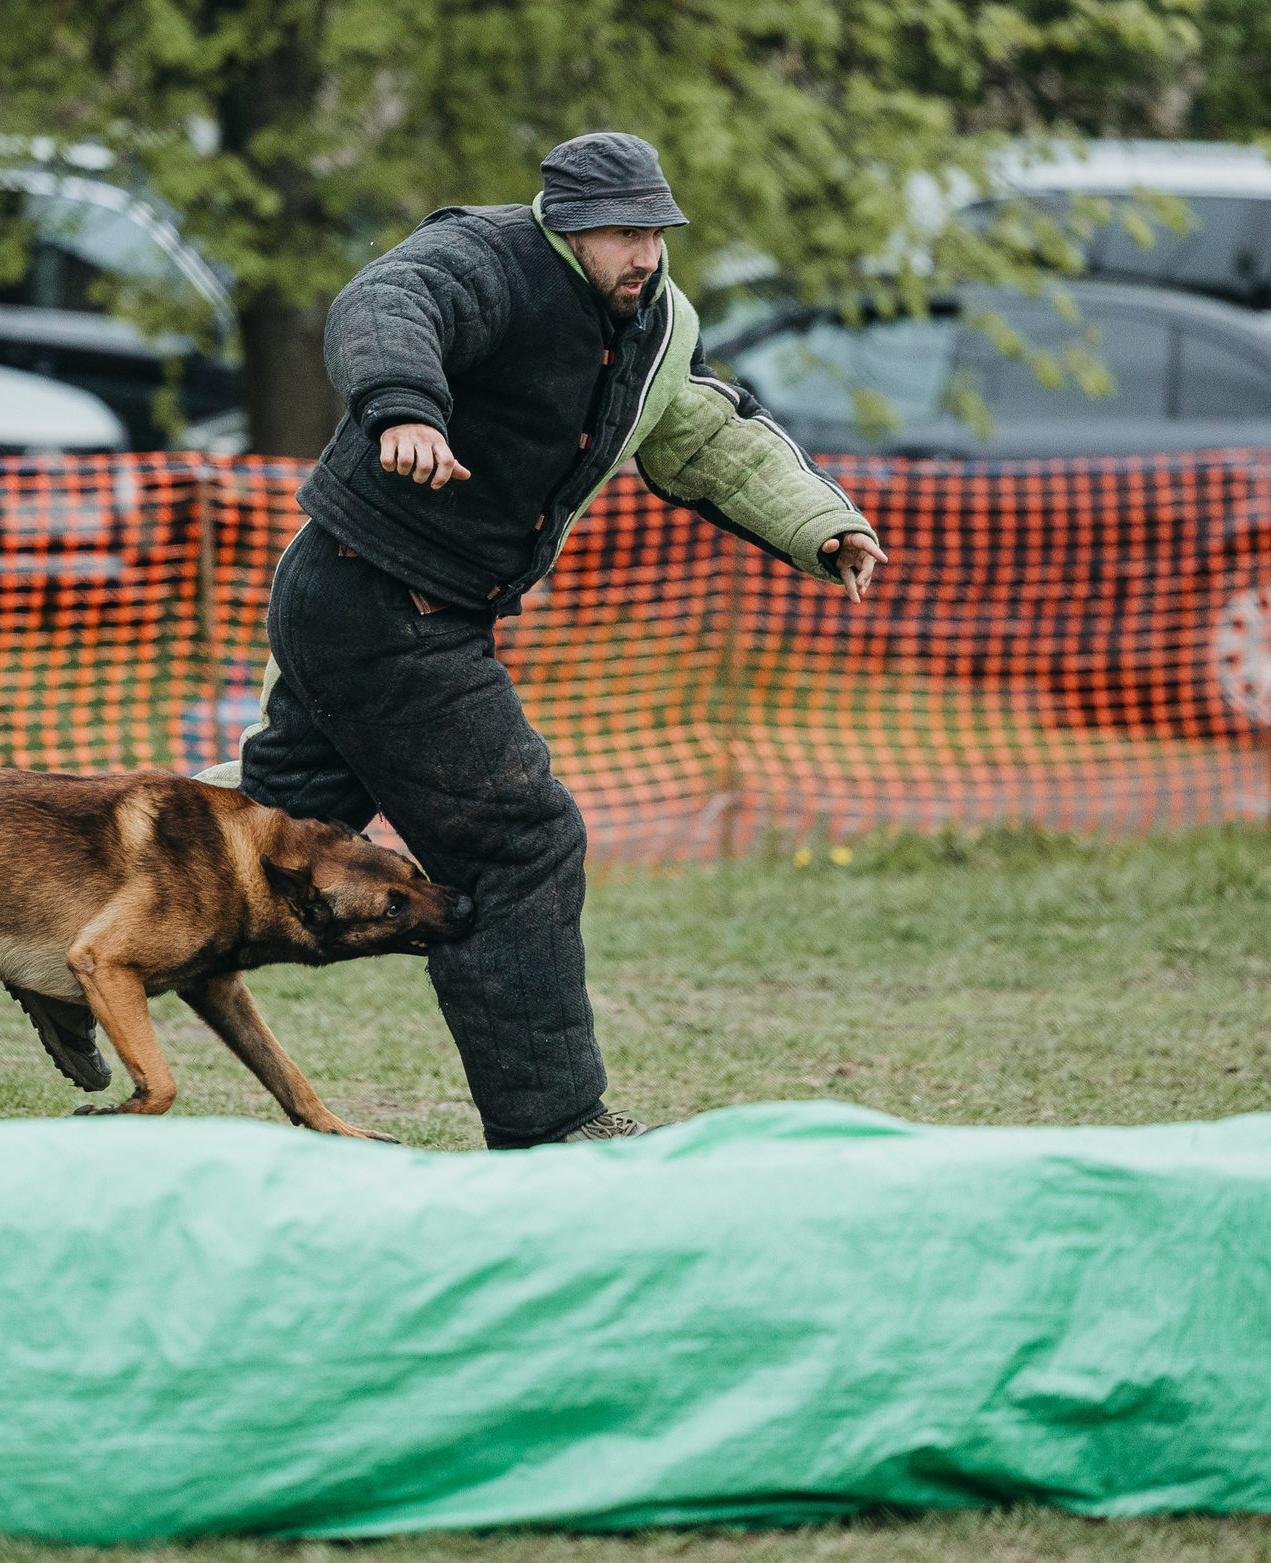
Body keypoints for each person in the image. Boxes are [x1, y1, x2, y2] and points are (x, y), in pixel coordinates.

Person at [183, 130, 887, 1147]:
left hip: (396, 603)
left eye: (653, 230)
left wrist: (822, 523)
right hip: (381, 600)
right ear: (565, 227)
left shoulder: (655, 325)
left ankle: (82, 932)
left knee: (263, 835)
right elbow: (385, 306)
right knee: (523, 840)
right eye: (617, 233)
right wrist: (402, 409)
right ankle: (554, 1121)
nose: (641, 254)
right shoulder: (485, 261)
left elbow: (700, 428)